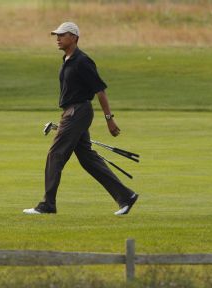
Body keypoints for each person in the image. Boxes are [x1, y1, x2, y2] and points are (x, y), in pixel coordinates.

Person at [23, 22, 138, 215]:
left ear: (74, 37)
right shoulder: (67, 59)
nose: (57, 38)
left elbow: (100, 91)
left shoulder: (82, 61)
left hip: (78, 112)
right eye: (56, 35)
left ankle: (47, 204)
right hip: (72, 113)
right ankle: (125, 196)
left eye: (62, 35)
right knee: (88, 159)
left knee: (55, 155)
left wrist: (109, 119)